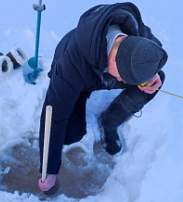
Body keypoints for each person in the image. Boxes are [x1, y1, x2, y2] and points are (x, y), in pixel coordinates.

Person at [38, 2, 168, 191]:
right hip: (80, 76)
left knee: (155, 81)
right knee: (70, 135)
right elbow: (53, 117)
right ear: (113, 63)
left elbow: (156, 50)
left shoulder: (139, 36)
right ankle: (80, 96)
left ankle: (110, 120)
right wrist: (49, 171)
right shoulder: (70, 64)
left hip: (103, 68)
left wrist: (151, 74)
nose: (126, 81)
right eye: (125, 77)